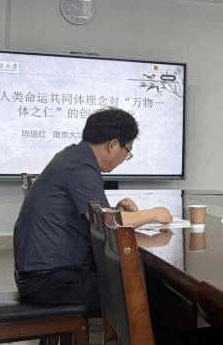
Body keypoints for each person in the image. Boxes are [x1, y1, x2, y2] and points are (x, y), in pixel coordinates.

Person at [13, 107, 172, 315]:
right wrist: (154, 213)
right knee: (147, 293)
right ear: (113, 145)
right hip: (50, 280)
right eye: (127, 151)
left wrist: (115, 210)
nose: (125, 157)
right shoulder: (80, 167)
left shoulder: (74, 157)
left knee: (144, 284)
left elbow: (99, 216)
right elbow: (107, 222)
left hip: (45, 274)